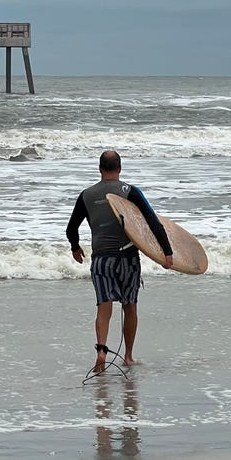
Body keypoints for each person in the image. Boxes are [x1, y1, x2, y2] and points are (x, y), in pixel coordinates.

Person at [66, 150, 172, 373]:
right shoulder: (130, 192)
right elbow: (153, 222)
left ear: (100, 168)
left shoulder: (86, 195)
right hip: (128, 258)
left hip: (102, 259)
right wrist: (167, 252)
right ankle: (128, 356)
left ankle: (102, 351)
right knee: (130, 306)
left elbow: (71, 228)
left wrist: (75, 248)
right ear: (120, 168)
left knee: (104, 308)